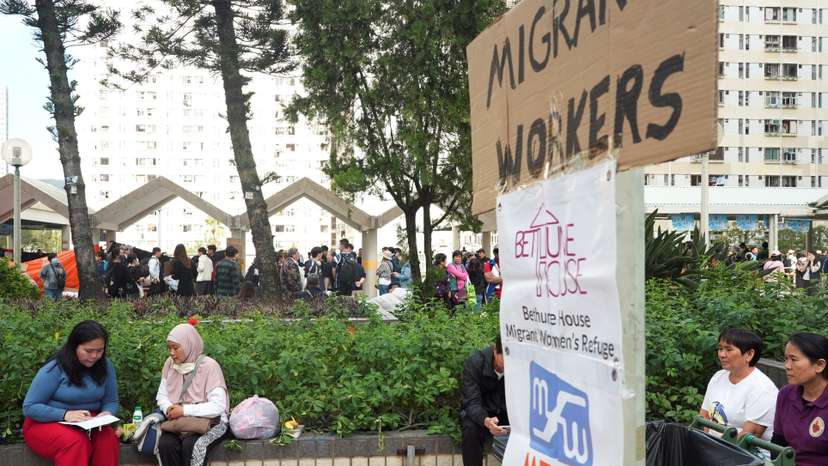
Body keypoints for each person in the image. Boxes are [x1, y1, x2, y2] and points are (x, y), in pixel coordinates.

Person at [22, 320, 119, 466]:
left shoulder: (106, 366)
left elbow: (110, 401)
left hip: (87, 422)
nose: (94, 356)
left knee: (107, 439)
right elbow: (30, 407)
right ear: (74, 346)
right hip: (46, 423)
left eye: (99, 351)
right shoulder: (55, 368)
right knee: (75, 442)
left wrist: (107, 412)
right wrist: (65, 414)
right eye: (88, 351)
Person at [156, 323, 229, 466]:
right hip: (180, 423)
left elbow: (218, 406)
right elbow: (162, 395)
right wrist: (168, 408)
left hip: (210, 422)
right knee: (165, 444)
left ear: (189, 344)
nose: (171, 353)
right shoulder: (170, 365)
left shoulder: (209, 366)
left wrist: (184, 410)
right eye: (169, 348)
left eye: (176, 348)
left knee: (192, 446)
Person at [699, 329, 778, 440]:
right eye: (720, 349)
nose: (722, 354)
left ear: (749, 354)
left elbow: (746, 438)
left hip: (743, 453)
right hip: (711, 446)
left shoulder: (763, 388)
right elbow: (704, 416)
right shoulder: (718, 376)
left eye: (728, 349)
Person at [771, 333, 828, 465]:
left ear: (819, 365)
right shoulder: (786, 394)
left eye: (794, 359)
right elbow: (778, 442)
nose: (787, 366)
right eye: (786, 359)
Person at [460, 335, 508, 466]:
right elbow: (471, 402)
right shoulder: (475, 363)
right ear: (495, 351)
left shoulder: (519, 366)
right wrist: (486, 421)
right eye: (504, 357)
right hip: (481, 414)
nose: (508, 363)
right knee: (470, 429)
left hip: (506, 414)